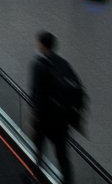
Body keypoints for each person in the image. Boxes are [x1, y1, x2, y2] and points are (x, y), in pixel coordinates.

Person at [30, 32, 84, 183]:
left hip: (44, 119)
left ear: (41, 44)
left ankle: (35, 176)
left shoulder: (39, 64)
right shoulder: (63, 63)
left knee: (39, 148)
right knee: (62, 155)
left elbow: (37, 95)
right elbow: (78, 89)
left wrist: (34, 119)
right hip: (61, 120)